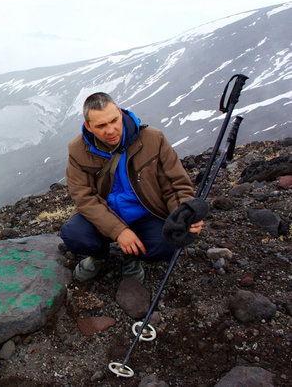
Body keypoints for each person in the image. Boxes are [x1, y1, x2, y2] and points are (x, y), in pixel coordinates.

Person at [59, 92, 204, 283]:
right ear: (88, 126)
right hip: (103, 215)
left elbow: (176, 184)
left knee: (169, 242)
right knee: (74, 235)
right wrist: (119, 231)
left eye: (114, 121)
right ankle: (99, 255)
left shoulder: (153, 139)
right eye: (101, 125)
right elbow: (84, 197)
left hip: (145, 214)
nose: (110, 130)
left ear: (120, 113)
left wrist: (183, 214)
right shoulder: (78, 149)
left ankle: (134, 256)